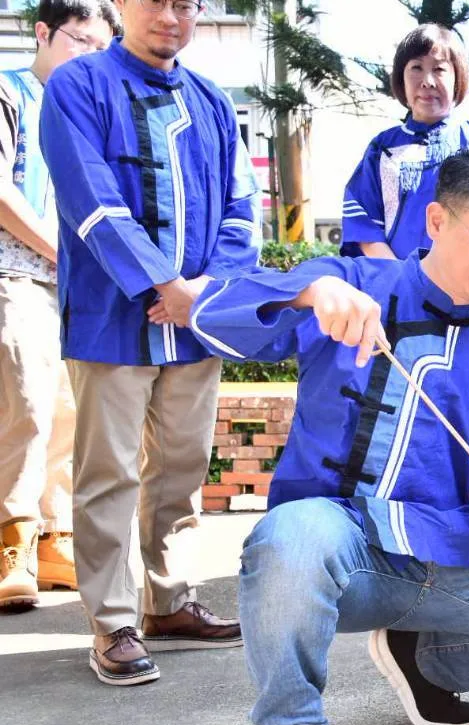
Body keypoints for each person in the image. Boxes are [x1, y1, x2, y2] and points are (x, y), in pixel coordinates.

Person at [187, 144, 469, 725]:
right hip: (347, 552)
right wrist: (307, 291)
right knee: (292, 540)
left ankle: (428, 660)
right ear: (435, 221)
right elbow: (211, 313)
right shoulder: (354, 280)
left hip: (456, 560)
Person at [40, 0, 259, 684]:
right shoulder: (78, 86)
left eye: (186, 3)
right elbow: (90, 201)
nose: (171, 14)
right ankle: (112, 622)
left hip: (195, 321)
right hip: (112, 314)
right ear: (121, 5)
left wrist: (201, 291)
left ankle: (169, 600)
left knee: (183, 467)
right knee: (107, 471)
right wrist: (160, 281)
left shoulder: (215, 103)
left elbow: (241, 208)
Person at [0, 0, 118, 611]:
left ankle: (53, 538)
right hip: (15, 273)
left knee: (73, 409)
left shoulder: (92, 109)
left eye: (103, 48)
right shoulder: (9, 91)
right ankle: (10, 542)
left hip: (78, 286)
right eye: (80, 41)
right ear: (43, 32)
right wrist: (60, 250)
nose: (91, 57)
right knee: (26, 403)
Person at [341, 23, 469, 260]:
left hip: (466, 287)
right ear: (401, 79)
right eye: (416, 68)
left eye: (439, 69)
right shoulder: (382, 148)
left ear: (458, 78)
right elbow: (363, 226)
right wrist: (403, 279)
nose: (427, 81)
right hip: (394, 284)